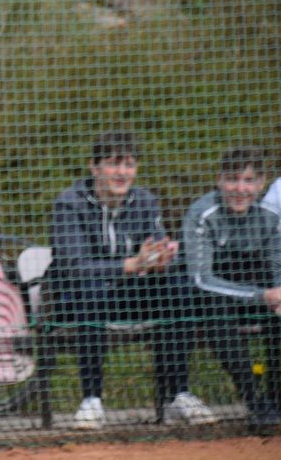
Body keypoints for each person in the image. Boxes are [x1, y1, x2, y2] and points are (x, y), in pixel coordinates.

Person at [47, 130, 215, 430]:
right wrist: (132, 264)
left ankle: (178, 395)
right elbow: (74, 267)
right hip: (74, 300)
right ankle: (91, 400)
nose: (122, 172)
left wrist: (160, 259)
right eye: (113, 163)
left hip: (129, 296)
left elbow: (156, 247)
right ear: (94, 167)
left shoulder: (145, 201)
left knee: (178, 287)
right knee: (92, 288)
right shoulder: (68, 204)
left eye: (129, 164)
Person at [183, 146, 281, 431]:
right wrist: (262, 296)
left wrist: (277, 294)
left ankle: (276, 399)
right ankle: (253, 399)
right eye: (232, 179)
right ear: (219, 180)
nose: (240, 189)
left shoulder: (271, 216)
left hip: (255, 290)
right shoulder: (202, 213)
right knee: (215, 311)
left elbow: (277, 265)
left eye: (249, 180)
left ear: (261, 183)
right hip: (209, 297)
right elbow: (201, 279)